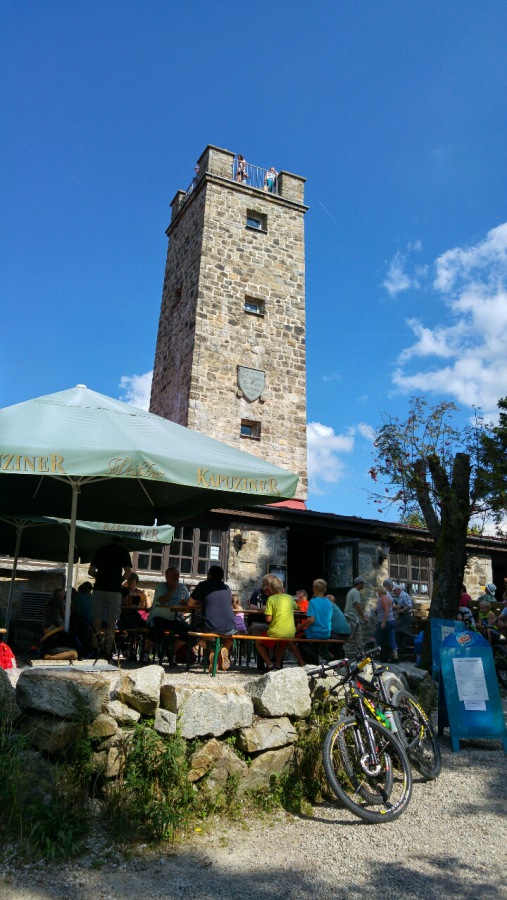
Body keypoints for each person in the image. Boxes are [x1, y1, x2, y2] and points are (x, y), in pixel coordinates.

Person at [89, 536, 132, 659]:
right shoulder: (123, 551)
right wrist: (119, 580)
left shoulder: (100, 550)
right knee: (112, 622)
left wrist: (100, 577)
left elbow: (91, 571)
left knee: (97, 620)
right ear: (120, 541)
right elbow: (128, 572)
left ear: (110, 540)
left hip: (99, 588)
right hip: (114, 590)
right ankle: (108, 651)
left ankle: (95, 649)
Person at [251, 574, 305, 670]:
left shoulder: (271, 599)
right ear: (282, 588)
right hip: (290, 632)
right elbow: (298, 608)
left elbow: (268, 620)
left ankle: (269, 664)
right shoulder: (289, 598)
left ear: (271, 590)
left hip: (275, 632)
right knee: (284, 642)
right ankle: (285, 664)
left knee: (258, 641)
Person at [189, 566, 236, 670]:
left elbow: (190, 603)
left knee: (192, 633)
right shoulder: (226, 588)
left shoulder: (203, 585)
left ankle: (215, 651)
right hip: (230, 627)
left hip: (211, 626)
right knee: (230, 637)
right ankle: (224, 650)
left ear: (209, 575)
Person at [144, 567, 191, 660]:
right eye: (173, 575)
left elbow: (188, 603)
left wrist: (186, 605)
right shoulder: (160, 587)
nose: (176, 577)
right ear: (167, 577)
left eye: (177, 575)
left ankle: (171, 652)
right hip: (158, 617)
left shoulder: (182, 587)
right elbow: (162, 601)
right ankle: (146, 651)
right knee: (156, 631)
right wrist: (174, 589)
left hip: (174, 619)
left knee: (188, 631)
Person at [297, 579, 333, 664]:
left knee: (299, 641)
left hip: (315, 633)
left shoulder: (312, 602)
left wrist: (300, 626)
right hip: (326, 633)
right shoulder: (328, 602)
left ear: (314, 589)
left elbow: (311, 620)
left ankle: (304, 664)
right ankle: (323, 657)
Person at [344, 576, 369, 655]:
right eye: (362, 583)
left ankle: (361, 655)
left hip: (354, 618)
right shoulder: (355, 592)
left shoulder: (352, 591)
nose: (363, 585)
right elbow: (357, 605)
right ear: (359, 584)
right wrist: (364, 617)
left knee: (358, 637)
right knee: (348, 637)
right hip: (351, 618)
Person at [375, 587, 398, 662]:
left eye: (377, 592)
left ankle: (376, 654)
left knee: (378, 637)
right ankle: (395, 657)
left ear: (379, 592)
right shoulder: (389, 599)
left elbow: (386, 611)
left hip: (385, 621)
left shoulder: (383, 599)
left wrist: (383, 622)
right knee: (391, 639)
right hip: (392, 621)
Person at [391, 584, 413, 654]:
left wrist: (402, 610)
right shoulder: (400, 596)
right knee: (398, 631)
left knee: (399, 630)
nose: (394, 592)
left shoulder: (404, 595)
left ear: (399, 589)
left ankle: (413, 638)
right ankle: (401, 648)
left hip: (406, 615)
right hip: (402, 615)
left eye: (395, 591)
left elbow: (409, 606)